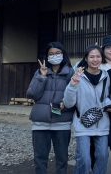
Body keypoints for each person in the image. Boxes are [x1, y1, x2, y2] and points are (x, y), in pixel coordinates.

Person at [26, 42, 74, 174]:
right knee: (40, 159)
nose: (54, 56)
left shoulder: (70, 73)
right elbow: (32, 94)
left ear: (63, 55)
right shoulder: (40, 72)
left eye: (57, 53)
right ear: (46, 57)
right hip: (40, 122)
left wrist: (67, 104)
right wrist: (42, 76)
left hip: (62, 122)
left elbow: (75, 95)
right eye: (51, 54)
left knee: (62, 159)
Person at [63, 46, 111, 174]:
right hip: (82, 123)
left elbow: (106, 97)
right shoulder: (78, 76)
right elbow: (68, 103)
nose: (95, 59)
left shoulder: (106, 76)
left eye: (98, 56)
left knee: (103, 157)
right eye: (91, 56)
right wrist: (73, 84)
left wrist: (110, 105)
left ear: (102, 58)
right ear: (86, 58)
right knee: (84, 159)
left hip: (102, 122)